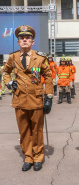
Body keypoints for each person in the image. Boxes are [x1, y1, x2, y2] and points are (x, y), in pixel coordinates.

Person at [3, 25, 53, 171]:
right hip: (19, 99)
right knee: (24, 130)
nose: (25, 40)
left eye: (28, 38)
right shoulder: (13, 57)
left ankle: (38, 157)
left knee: (37, 129)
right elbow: (5, 72)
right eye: (22, 38)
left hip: (36, 98)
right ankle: (28, 157)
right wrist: (9, 82)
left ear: (33, 42)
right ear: (18, 42)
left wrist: (49, 97)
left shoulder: (40, 58)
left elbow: (48, 76)